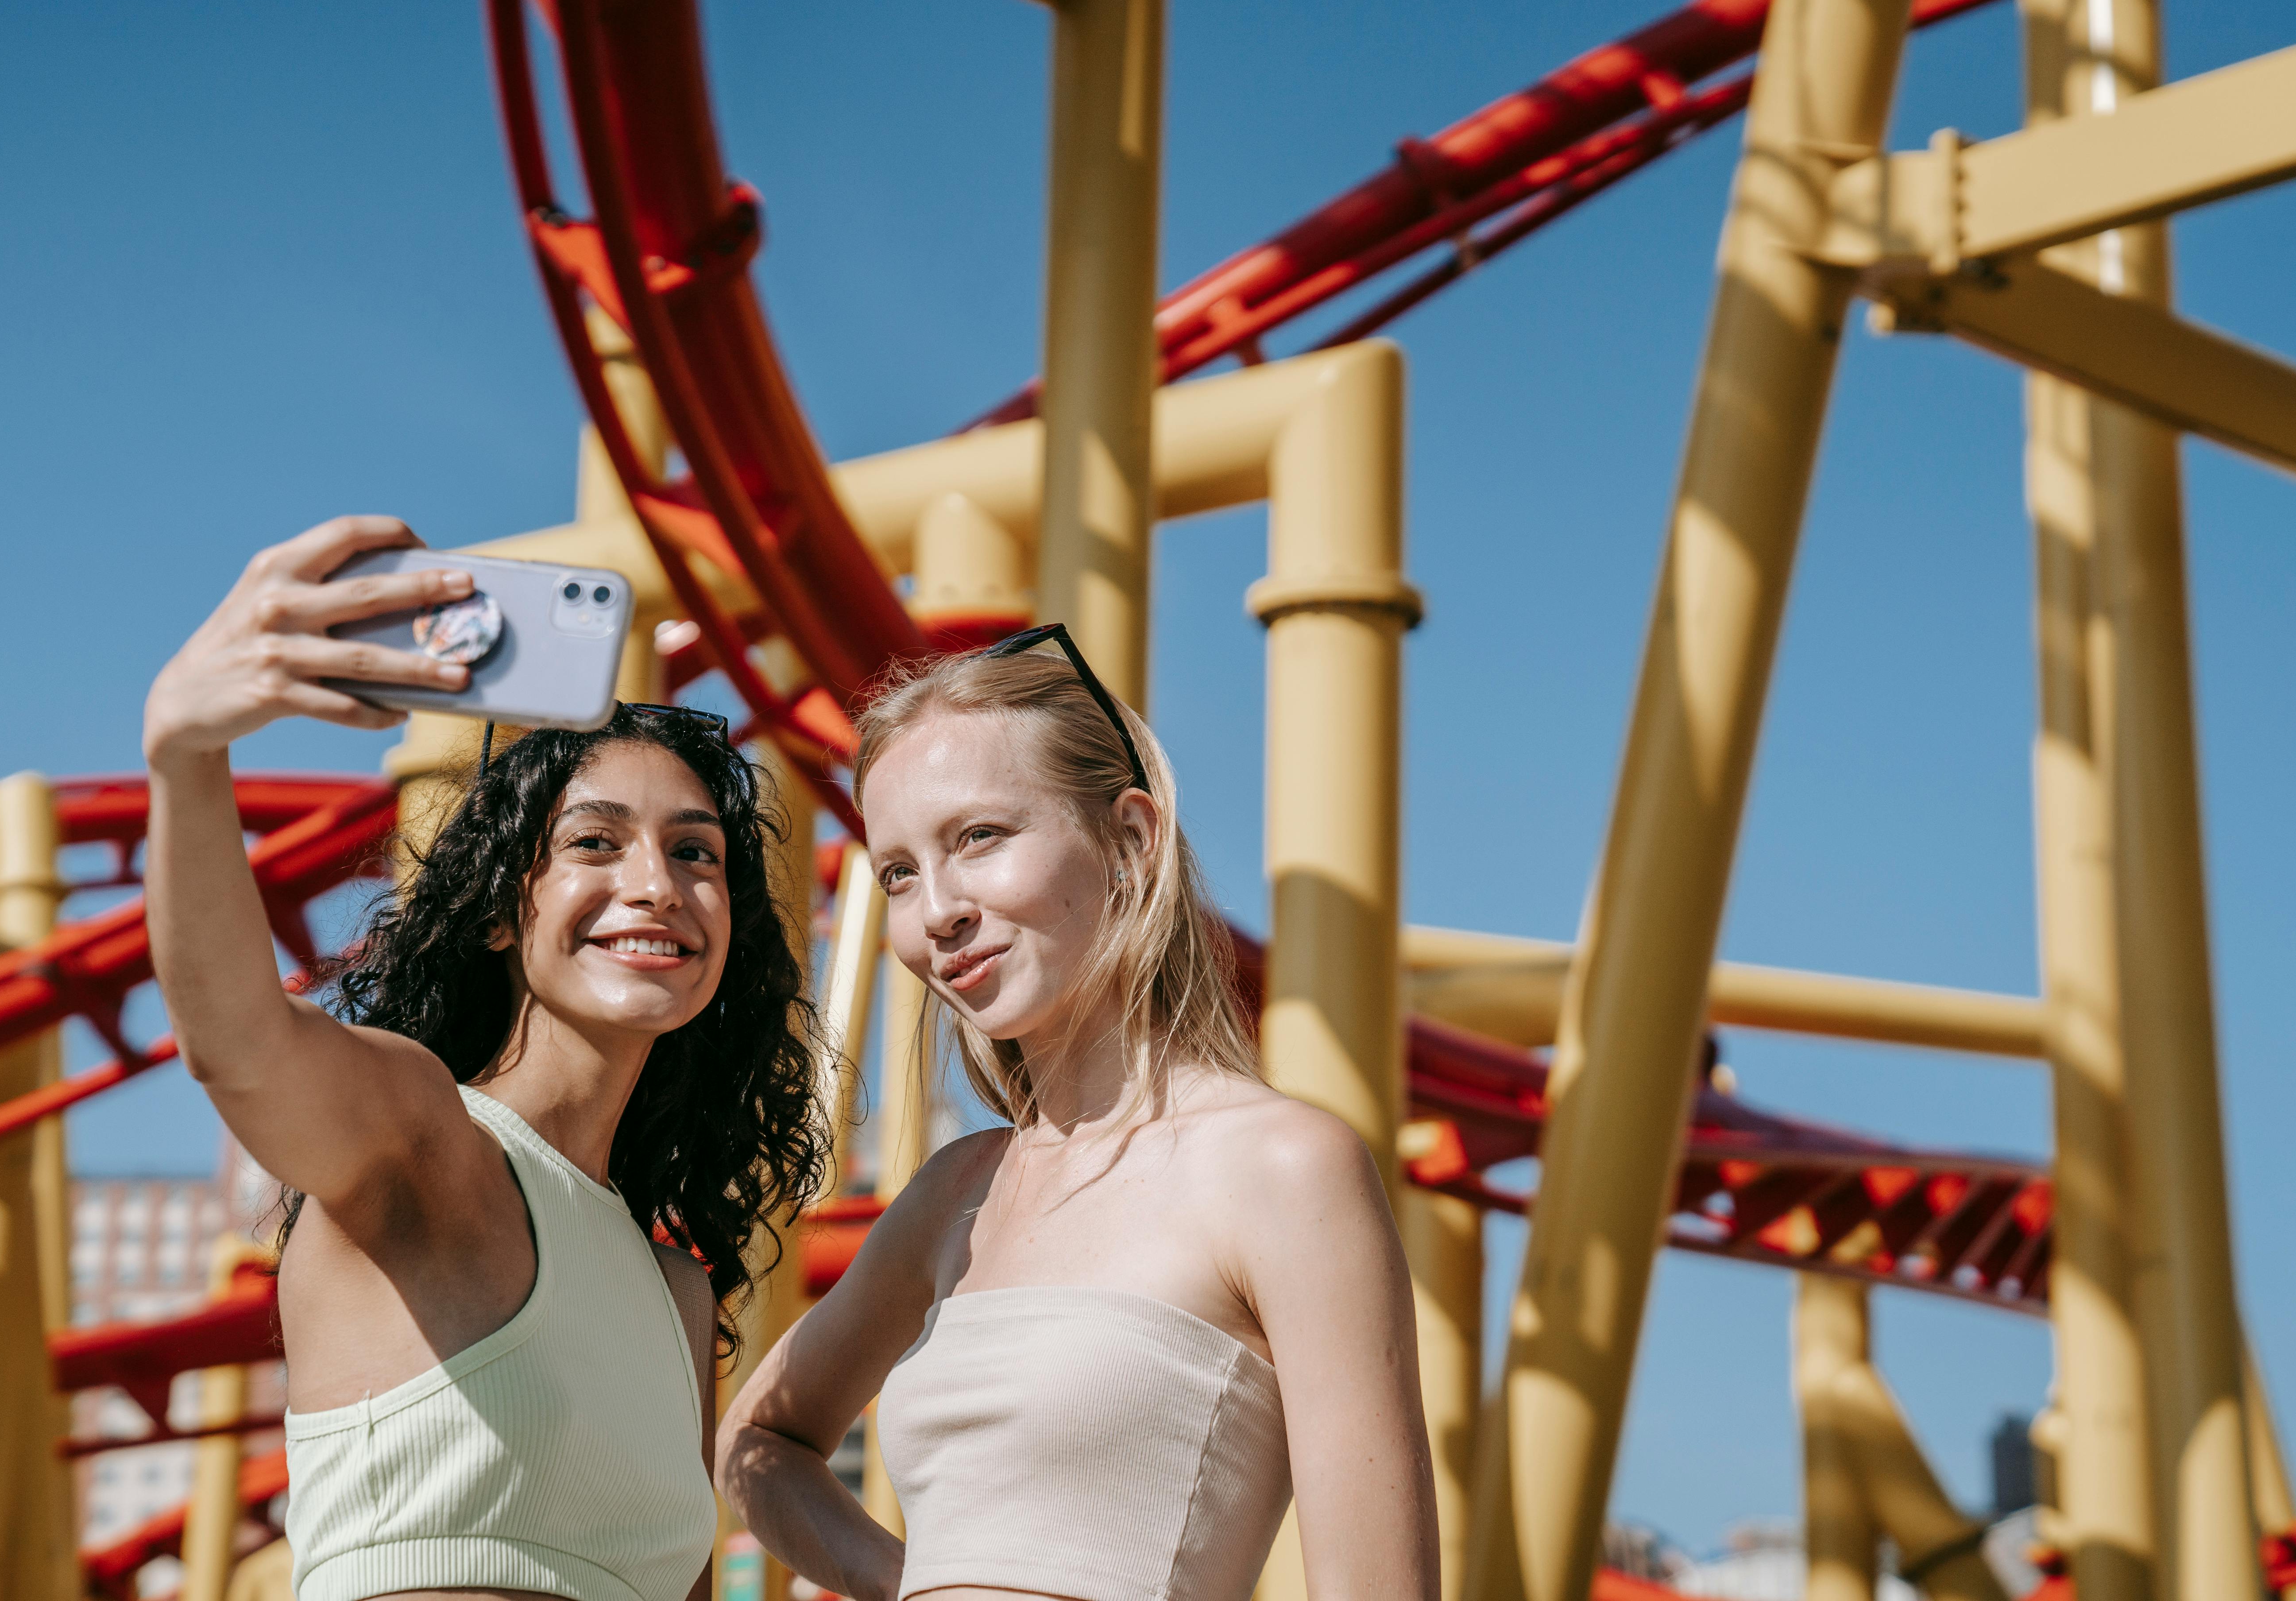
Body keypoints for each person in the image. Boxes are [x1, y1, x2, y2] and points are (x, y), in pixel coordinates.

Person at [143, 515, 827, 1601]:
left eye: (693, 851)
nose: (658, 882)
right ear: (503, 914)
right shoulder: (424, 1137)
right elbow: (239, 1046)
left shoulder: (676, 1288)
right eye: (596, 843)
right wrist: (186, 753)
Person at [715, 626, 1438, 1601]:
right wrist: (908, 1580)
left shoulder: (1281, 1165)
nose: (938, 910)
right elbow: (758, 1444)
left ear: (1131, 838)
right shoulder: (956, 1192)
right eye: (898, 872)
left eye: (978, 837)